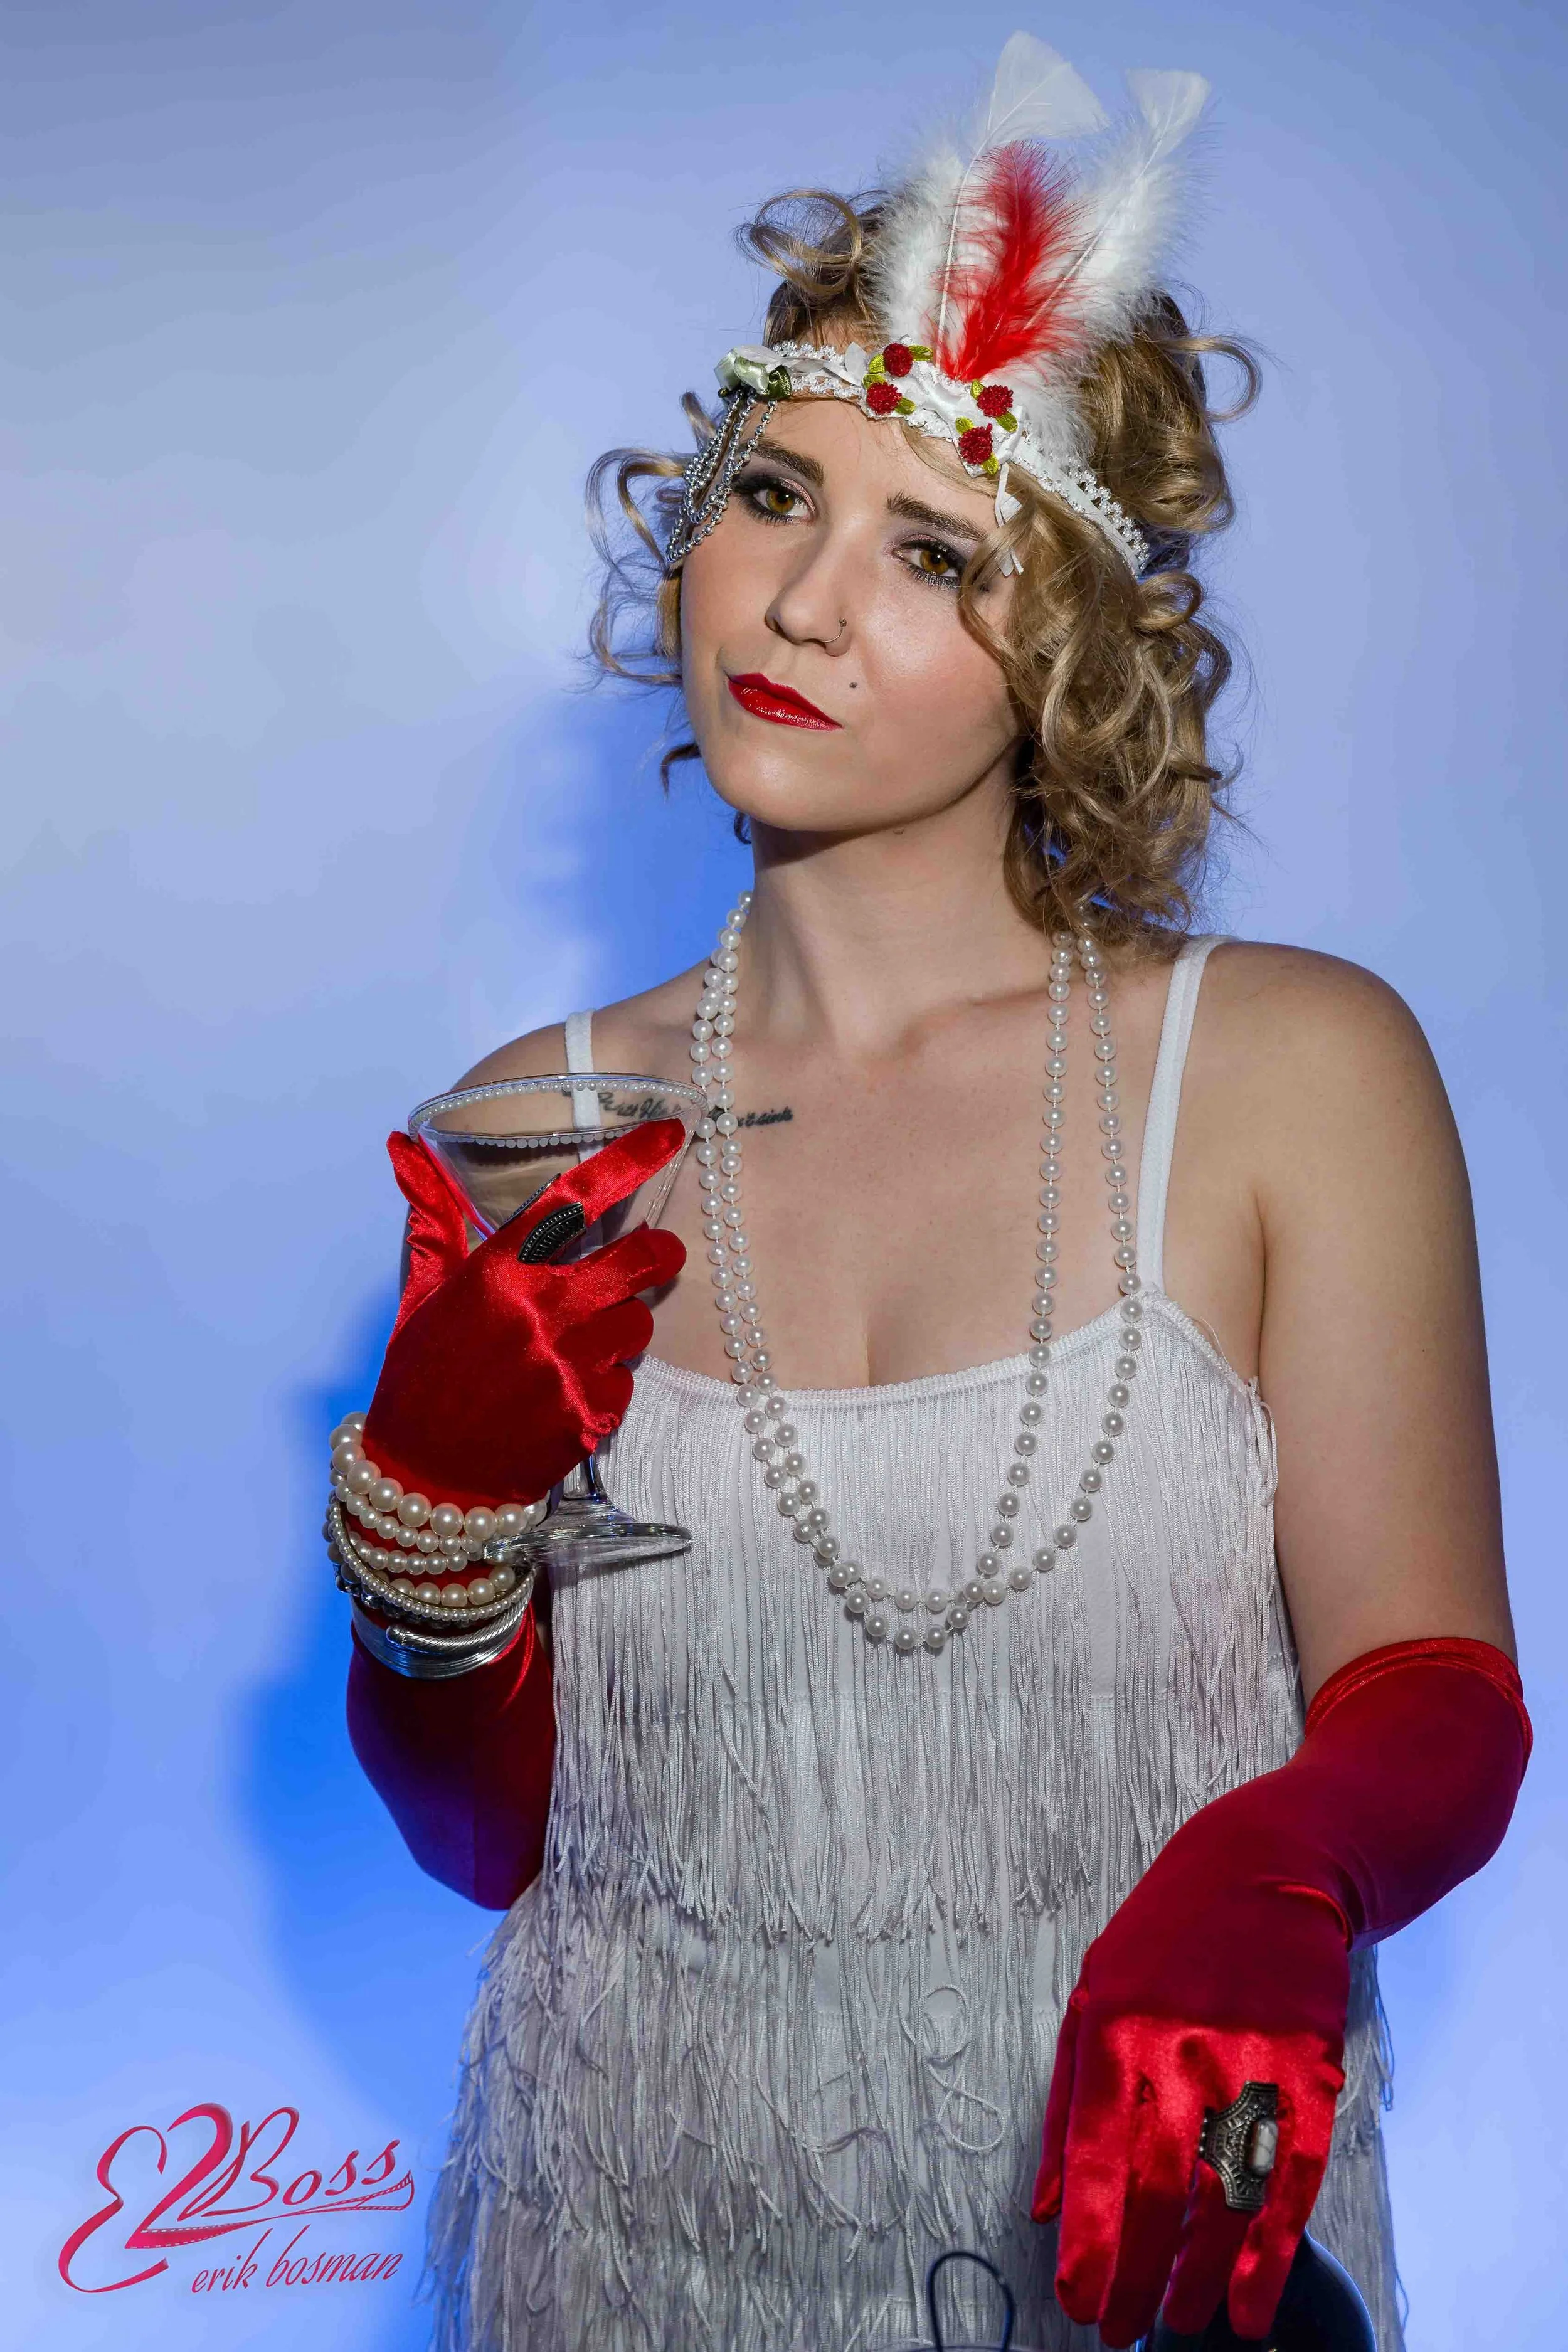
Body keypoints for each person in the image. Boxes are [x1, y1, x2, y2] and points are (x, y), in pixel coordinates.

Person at [332, 38, 1530, 2352]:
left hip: (1148, 2233)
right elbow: (480, 1839)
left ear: (1061, 642)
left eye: (928, 550)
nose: (797, 601)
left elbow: (1436, 1687)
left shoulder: (1288, 1067)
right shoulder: (526, 1121)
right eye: (769, 490)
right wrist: (426, 1533)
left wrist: (1277, 1867)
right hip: (624, 2235)